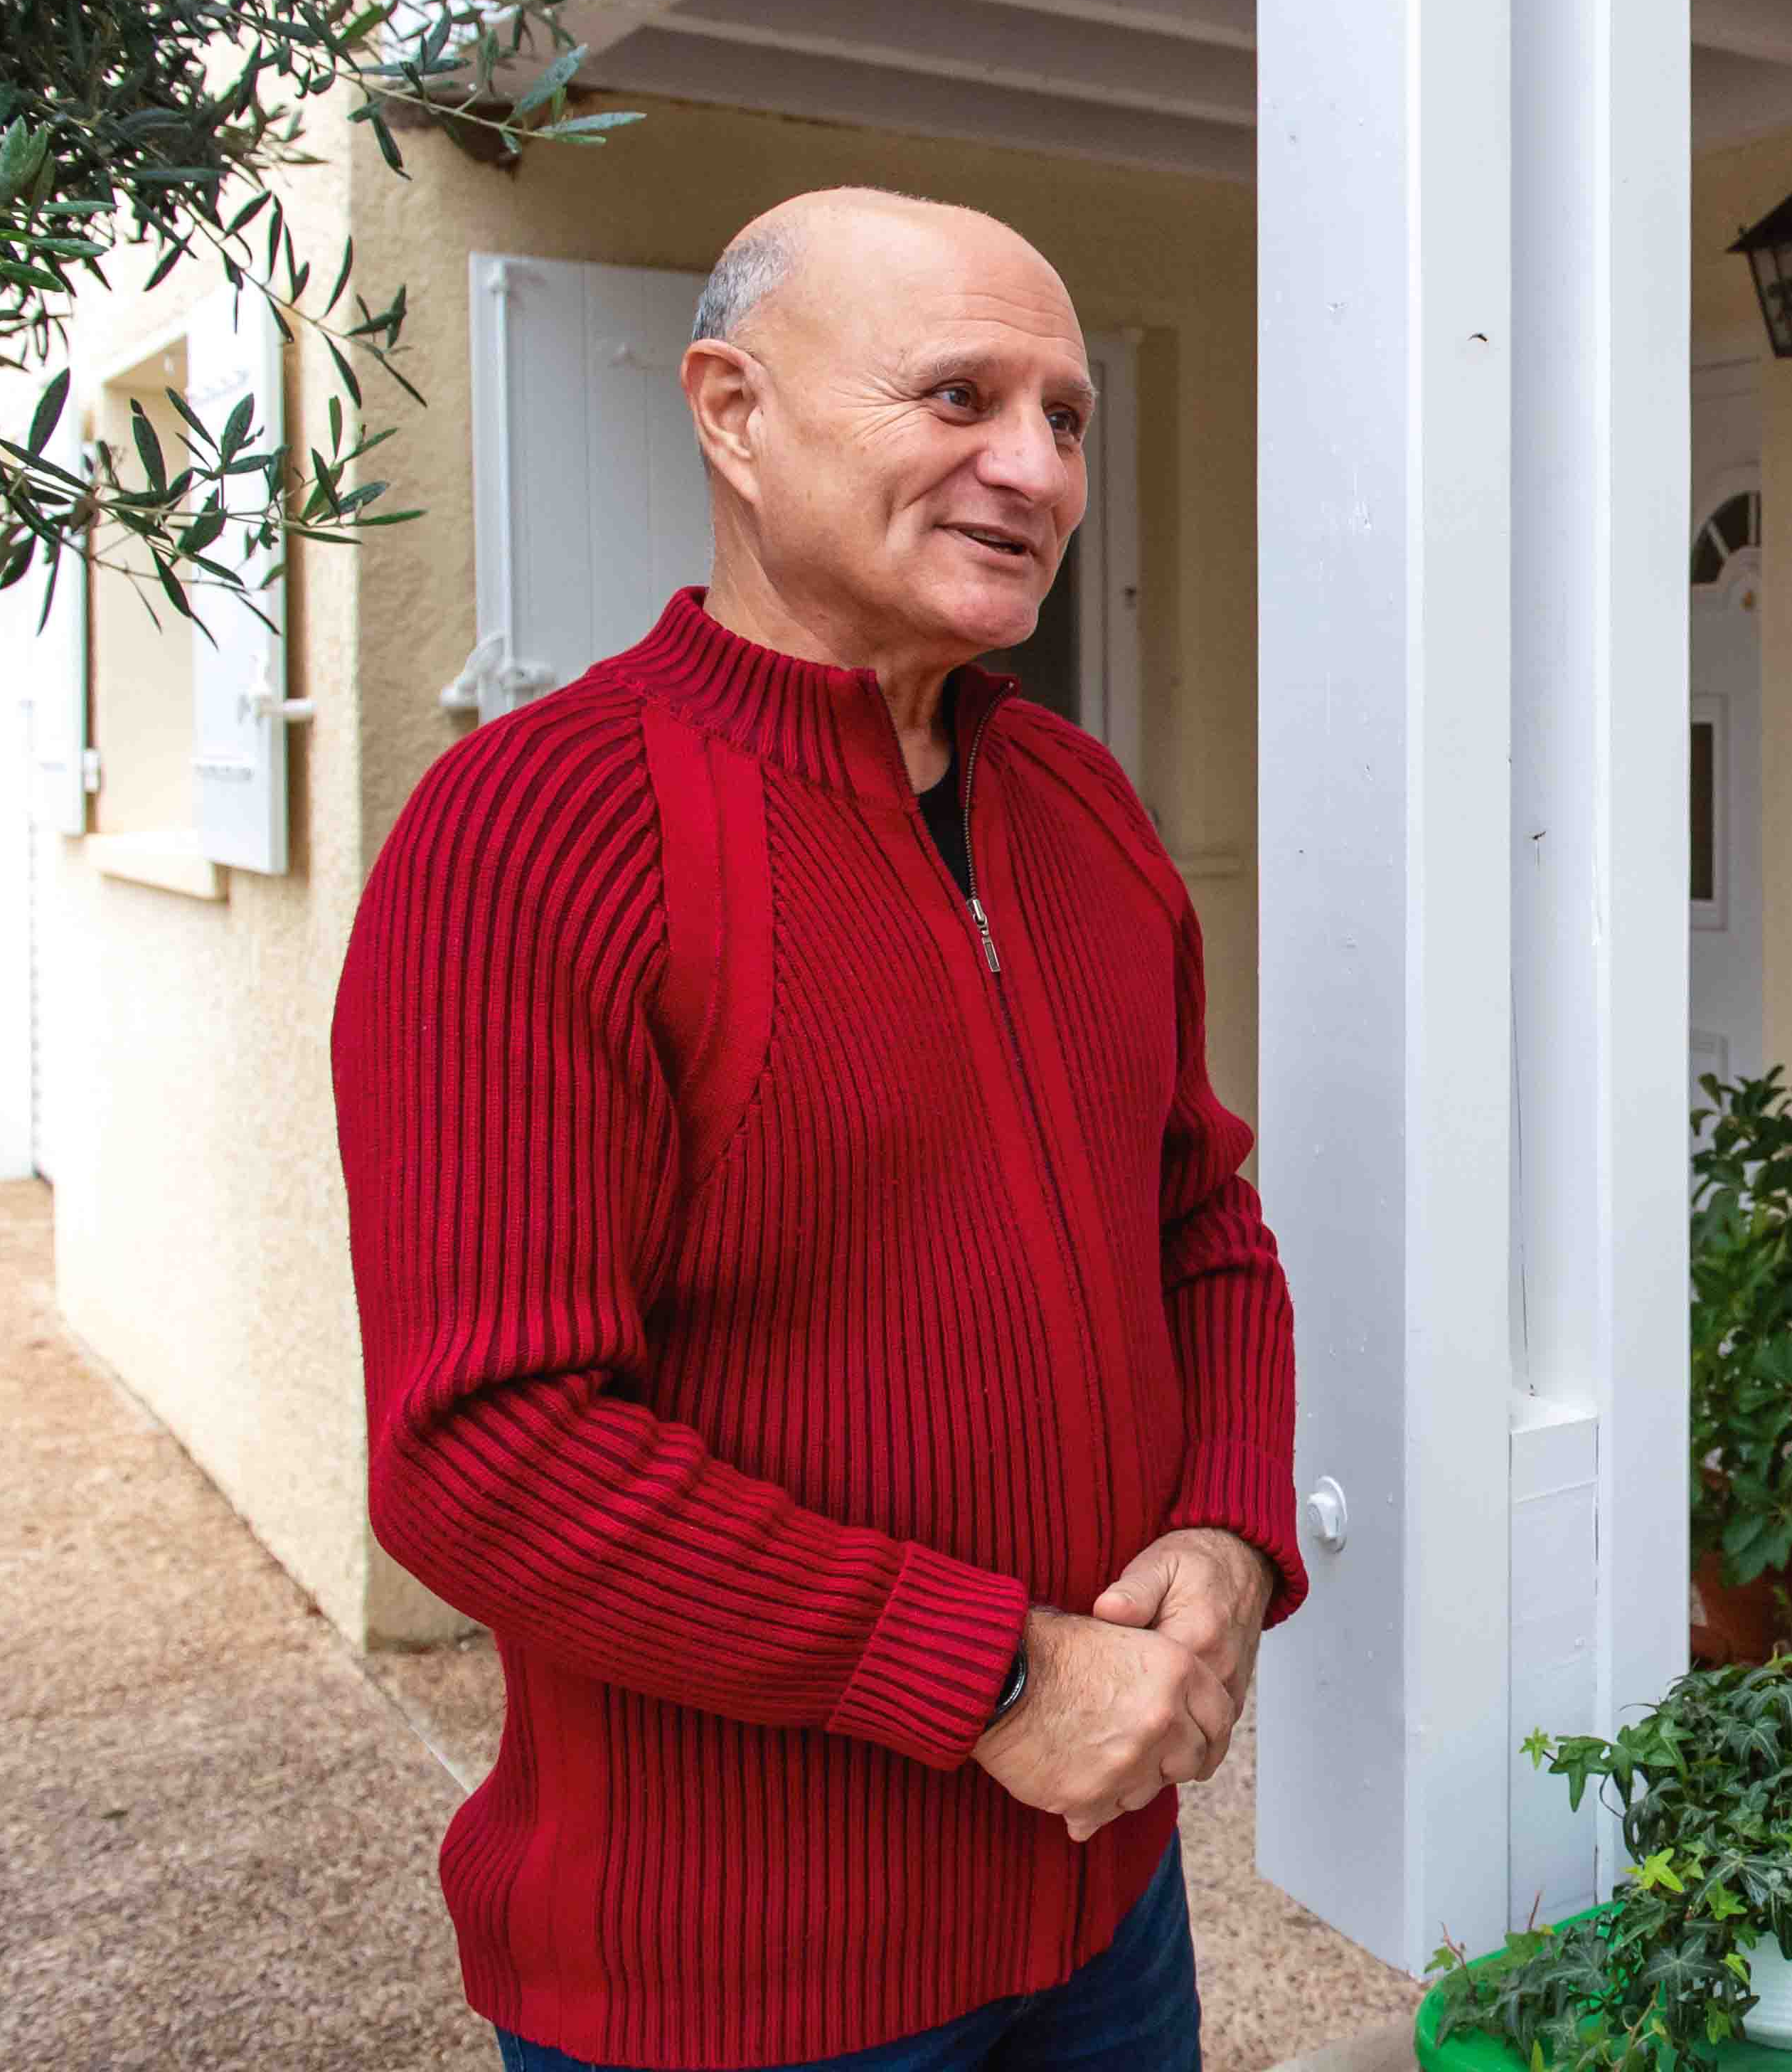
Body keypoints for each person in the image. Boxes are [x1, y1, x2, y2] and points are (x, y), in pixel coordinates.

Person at [332, 188, 1301, 2071]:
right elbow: (485, 1451)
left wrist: (1230, 1521)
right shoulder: (526, 835)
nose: (1032, 466)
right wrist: (992, 1676)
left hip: (1105, 1916)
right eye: (956, 397)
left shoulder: (1081, 809)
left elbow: (1203, 1222)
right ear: (731, 409)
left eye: (1069, 416)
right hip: (739, 1993)